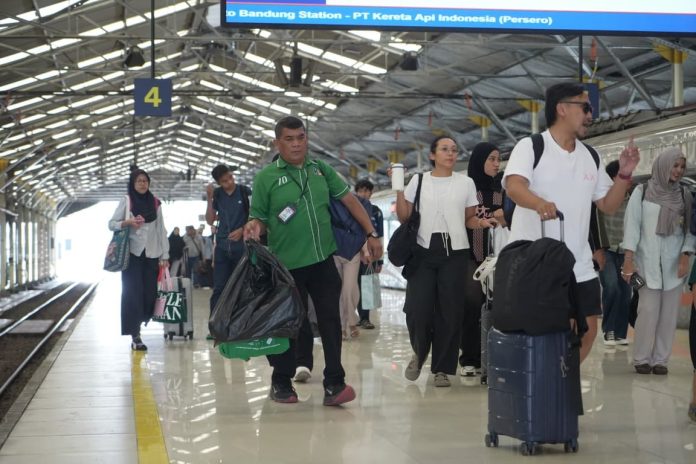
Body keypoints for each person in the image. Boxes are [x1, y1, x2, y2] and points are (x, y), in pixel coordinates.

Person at [243, 115, 382, 405]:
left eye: (301, 137)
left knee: (330, 320)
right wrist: (255, 226)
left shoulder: (320, 170)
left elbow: (350, 201)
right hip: (287, 266)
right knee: (289, 324)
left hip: (322, 260)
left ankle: (335, 383)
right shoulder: (266, 178)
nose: (296, 144)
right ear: (277, 143)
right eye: (289, 139)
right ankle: (281, 381)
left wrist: (371, 233)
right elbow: (260, 218)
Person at [503, 82, 640, 363]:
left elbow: (608, 205)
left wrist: (624, 174)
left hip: (579, 262)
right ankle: (546, 381)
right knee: (547, 331)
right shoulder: (531, 147)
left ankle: (562, 379)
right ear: (562, 109)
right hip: (537, 262)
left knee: (588, 330)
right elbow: (514, 186)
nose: (590, 115)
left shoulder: (590, 155)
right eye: (585, 107)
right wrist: (538, 203)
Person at [396, 135, 495, 388]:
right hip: (423, 251)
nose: (450, 154)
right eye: (444, 149)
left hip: (456, 251)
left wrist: (482, 223)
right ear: (432, 155)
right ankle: (420, 352)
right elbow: (404, 217)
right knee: (417, 309)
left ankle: (442, 368)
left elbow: (468, 219)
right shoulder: (418, 181)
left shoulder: (466, 183)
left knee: (450, 312)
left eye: (453, 150)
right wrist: (398, 188)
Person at [622, 148, 694, 375]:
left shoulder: (684, 195)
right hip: (647, 262)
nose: (678, 171)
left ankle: (661, 360)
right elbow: (632, 227)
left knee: (669, 315)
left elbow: (690, 230)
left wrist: (686, 255)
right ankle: (642, 358)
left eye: (682, 167)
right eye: (674, 165)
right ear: (663, 165)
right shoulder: (642, 192)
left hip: (674, 265)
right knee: (647, 311)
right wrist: (628, 260)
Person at [108, 168, 169, 351]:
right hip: (131, 255)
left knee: (150, 294)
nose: (142, 184)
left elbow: (161, 229)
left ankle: (142, 320)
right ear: (133, 184)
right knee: (132, 294)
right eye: (139, 181)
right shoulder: (127, 201)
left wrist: (165, 255)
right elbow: (111, 224)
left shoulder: (156, 203)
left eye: (145, 181)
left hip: (151, 254)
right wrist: (127, 223)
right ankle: (135, 335)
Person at [459, 142, 504, 377]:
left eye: (498, 159)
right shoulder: (466, 189)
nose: (497, 164)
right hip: (470, 257)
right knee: (472, 305)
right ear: (479, 161)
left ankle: (493, 356)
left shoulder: (502, 190)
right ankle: (469, 358)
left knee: (496, 306)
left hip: (498, 257)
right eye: (491, 159)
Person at [206, 164, 250, 318]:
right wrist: (209, 198)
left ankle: (242, 321)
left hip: (242, 247)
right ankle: (215, 322)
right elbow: (210, 220)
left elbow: (255, 216)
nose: (230, 182)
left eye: (230, 177)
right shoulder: (217, 194)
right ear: (219, 183)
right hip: (222, 247)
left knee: (243, 285)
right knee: (219, 287)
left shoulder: (244, 192)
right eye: (225, 181)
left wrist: (242, 229)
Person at [597, 161, 632, 346]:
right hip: (607, 250)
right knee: (611, 287)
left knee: (626, 292)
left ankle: (620, 332)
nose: (629, 179)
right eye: (624, 175)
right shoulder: (603, 199)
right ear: (613, 179)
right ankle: (608, 330)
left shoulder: (633, 199)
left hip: (626, 252)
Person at [355, 179, 384, 330]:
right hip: (353, 254)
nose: (363, 194)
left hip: (371, 255)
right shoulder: (351, 209)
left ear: (371, 193)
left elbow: (380, 236)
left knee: (367, 286)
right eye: (360, 191)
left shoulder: (376, 211)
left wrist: (380, 260)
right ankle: (352, 317)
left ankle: (365, 318)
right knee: (353, 286)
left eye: (366, 191)